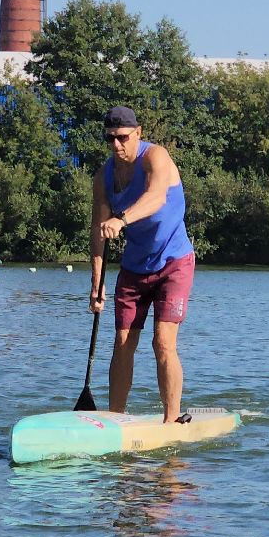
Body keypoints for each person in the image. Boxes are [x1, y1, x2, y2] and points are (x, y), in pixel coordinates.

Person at [90, 105, 196, 423]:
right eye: (109, 139)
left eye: (122, 138)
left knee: (162, 340)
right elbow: (97, 233)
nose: (116, 145)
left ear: (137, 133)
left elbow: (157, 198)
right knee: (122, 341)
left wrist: (121, 219)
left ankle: (172, 420)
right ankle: (115, 418)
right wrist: (96, 285)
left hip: (174, 262)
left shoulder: (155, 157)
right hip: (135, 268)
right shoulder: (103, 177)